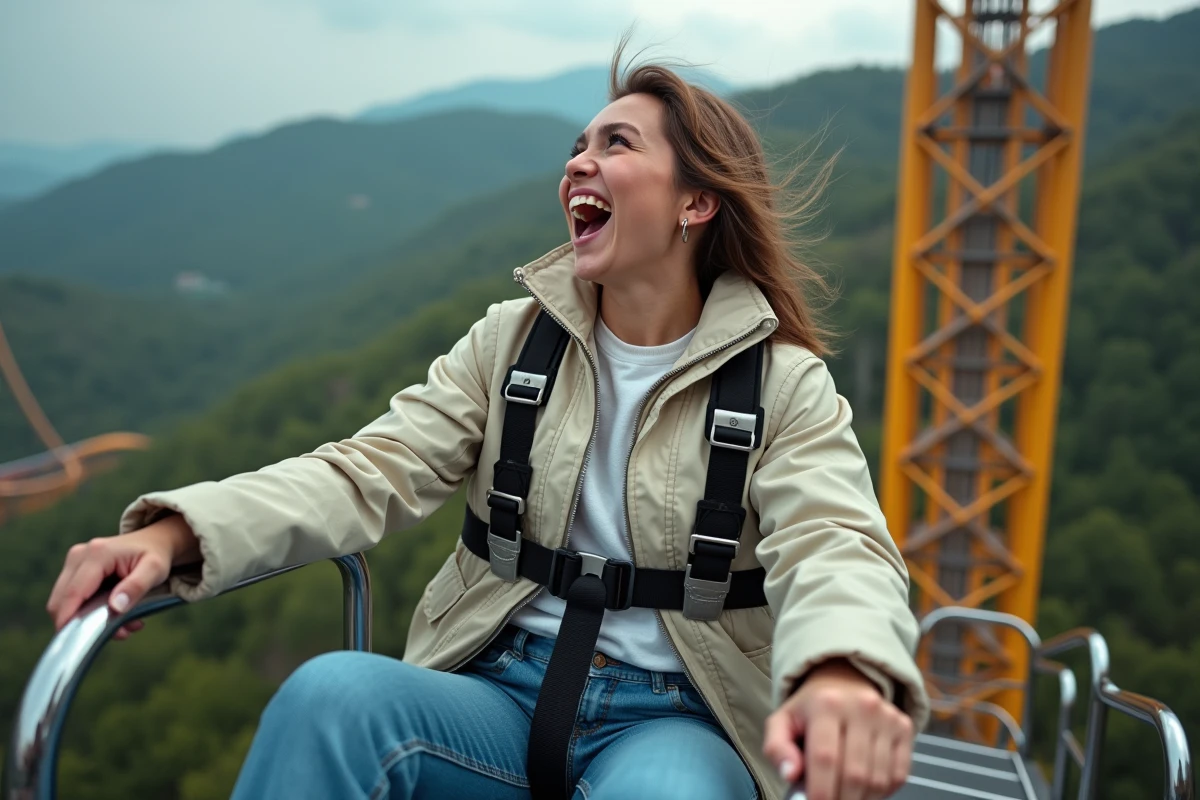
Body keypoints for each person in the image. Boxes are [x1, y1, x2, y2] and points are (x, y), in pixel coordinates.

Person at [45, 41, 930, 800]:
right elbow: (371, 468)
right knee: (332, 701)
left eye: (615, 145)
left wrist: (843, 665)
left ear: (697, 203)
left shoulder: (783, 384)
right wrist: (176, 532)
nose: (578, 164)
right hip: (494, 688)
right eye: (576, 146)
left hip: (678, 715)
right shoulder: (512, 345)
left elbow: (834, 541)